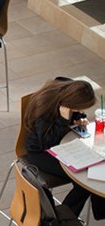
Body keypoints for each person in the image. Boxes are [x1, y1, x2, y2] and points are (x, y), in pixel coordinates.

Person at [24, 78, 105, 218]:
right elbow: (47, 142)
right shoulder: (45, 108)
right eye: (79, 107)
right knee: (83, 183)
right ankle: (65, 219)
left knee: (93, 170)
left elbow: (77, 113)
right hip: (39, 152)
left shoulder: (66, 96)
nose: (80, 110)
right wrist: (63, 119)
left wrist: (79, 118)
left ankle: (96, 212)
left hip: (61, 148)